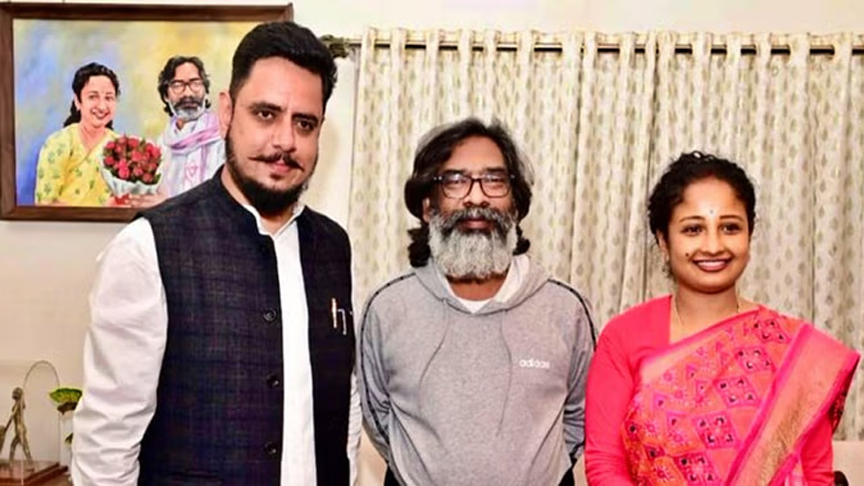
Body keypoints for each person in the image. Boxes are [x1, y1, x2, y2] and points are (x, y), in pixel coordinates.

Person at [72, 21, 358, 485]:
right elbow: (106, 445)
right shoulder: (149, 247)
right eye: (265, 114)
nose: (285, 141)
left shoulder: (334, 247)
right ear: (226, 112)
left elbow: (345, 403)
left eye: (304, 123)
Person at [584, 152, 860, 485]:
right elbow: (605, 464)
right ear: (663, 241)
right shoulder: (624, 336)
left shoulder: (793, 352)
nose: (713, 245)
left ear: (749, 235)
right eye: (693, 229)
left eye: (730, 227)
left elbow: (816, 475)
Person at [358, 118, 596, 486]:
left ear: (515, 206)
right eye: (455, 181)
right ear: (427, 206)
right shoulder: (387, 307)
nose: (476, 197)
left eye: (494, 180)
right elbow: (378, 416)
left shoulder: (566, 309)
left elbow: (581, 416)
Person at [129, 55, 225, 208]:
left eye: (195, 83)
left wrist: (169, 205)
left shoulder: (224, 138)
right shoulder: (161, 146)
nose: (187, 93)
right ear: (166, 95)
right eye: (178, 85)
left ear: (205, 90)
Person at [34, 62, 119, 206]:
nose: (102, 106)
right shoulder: (58, 143)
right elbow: (45, 204)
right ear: (78, 101)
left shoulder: (121, 147)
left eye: (109, 98)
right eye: (93, 97)